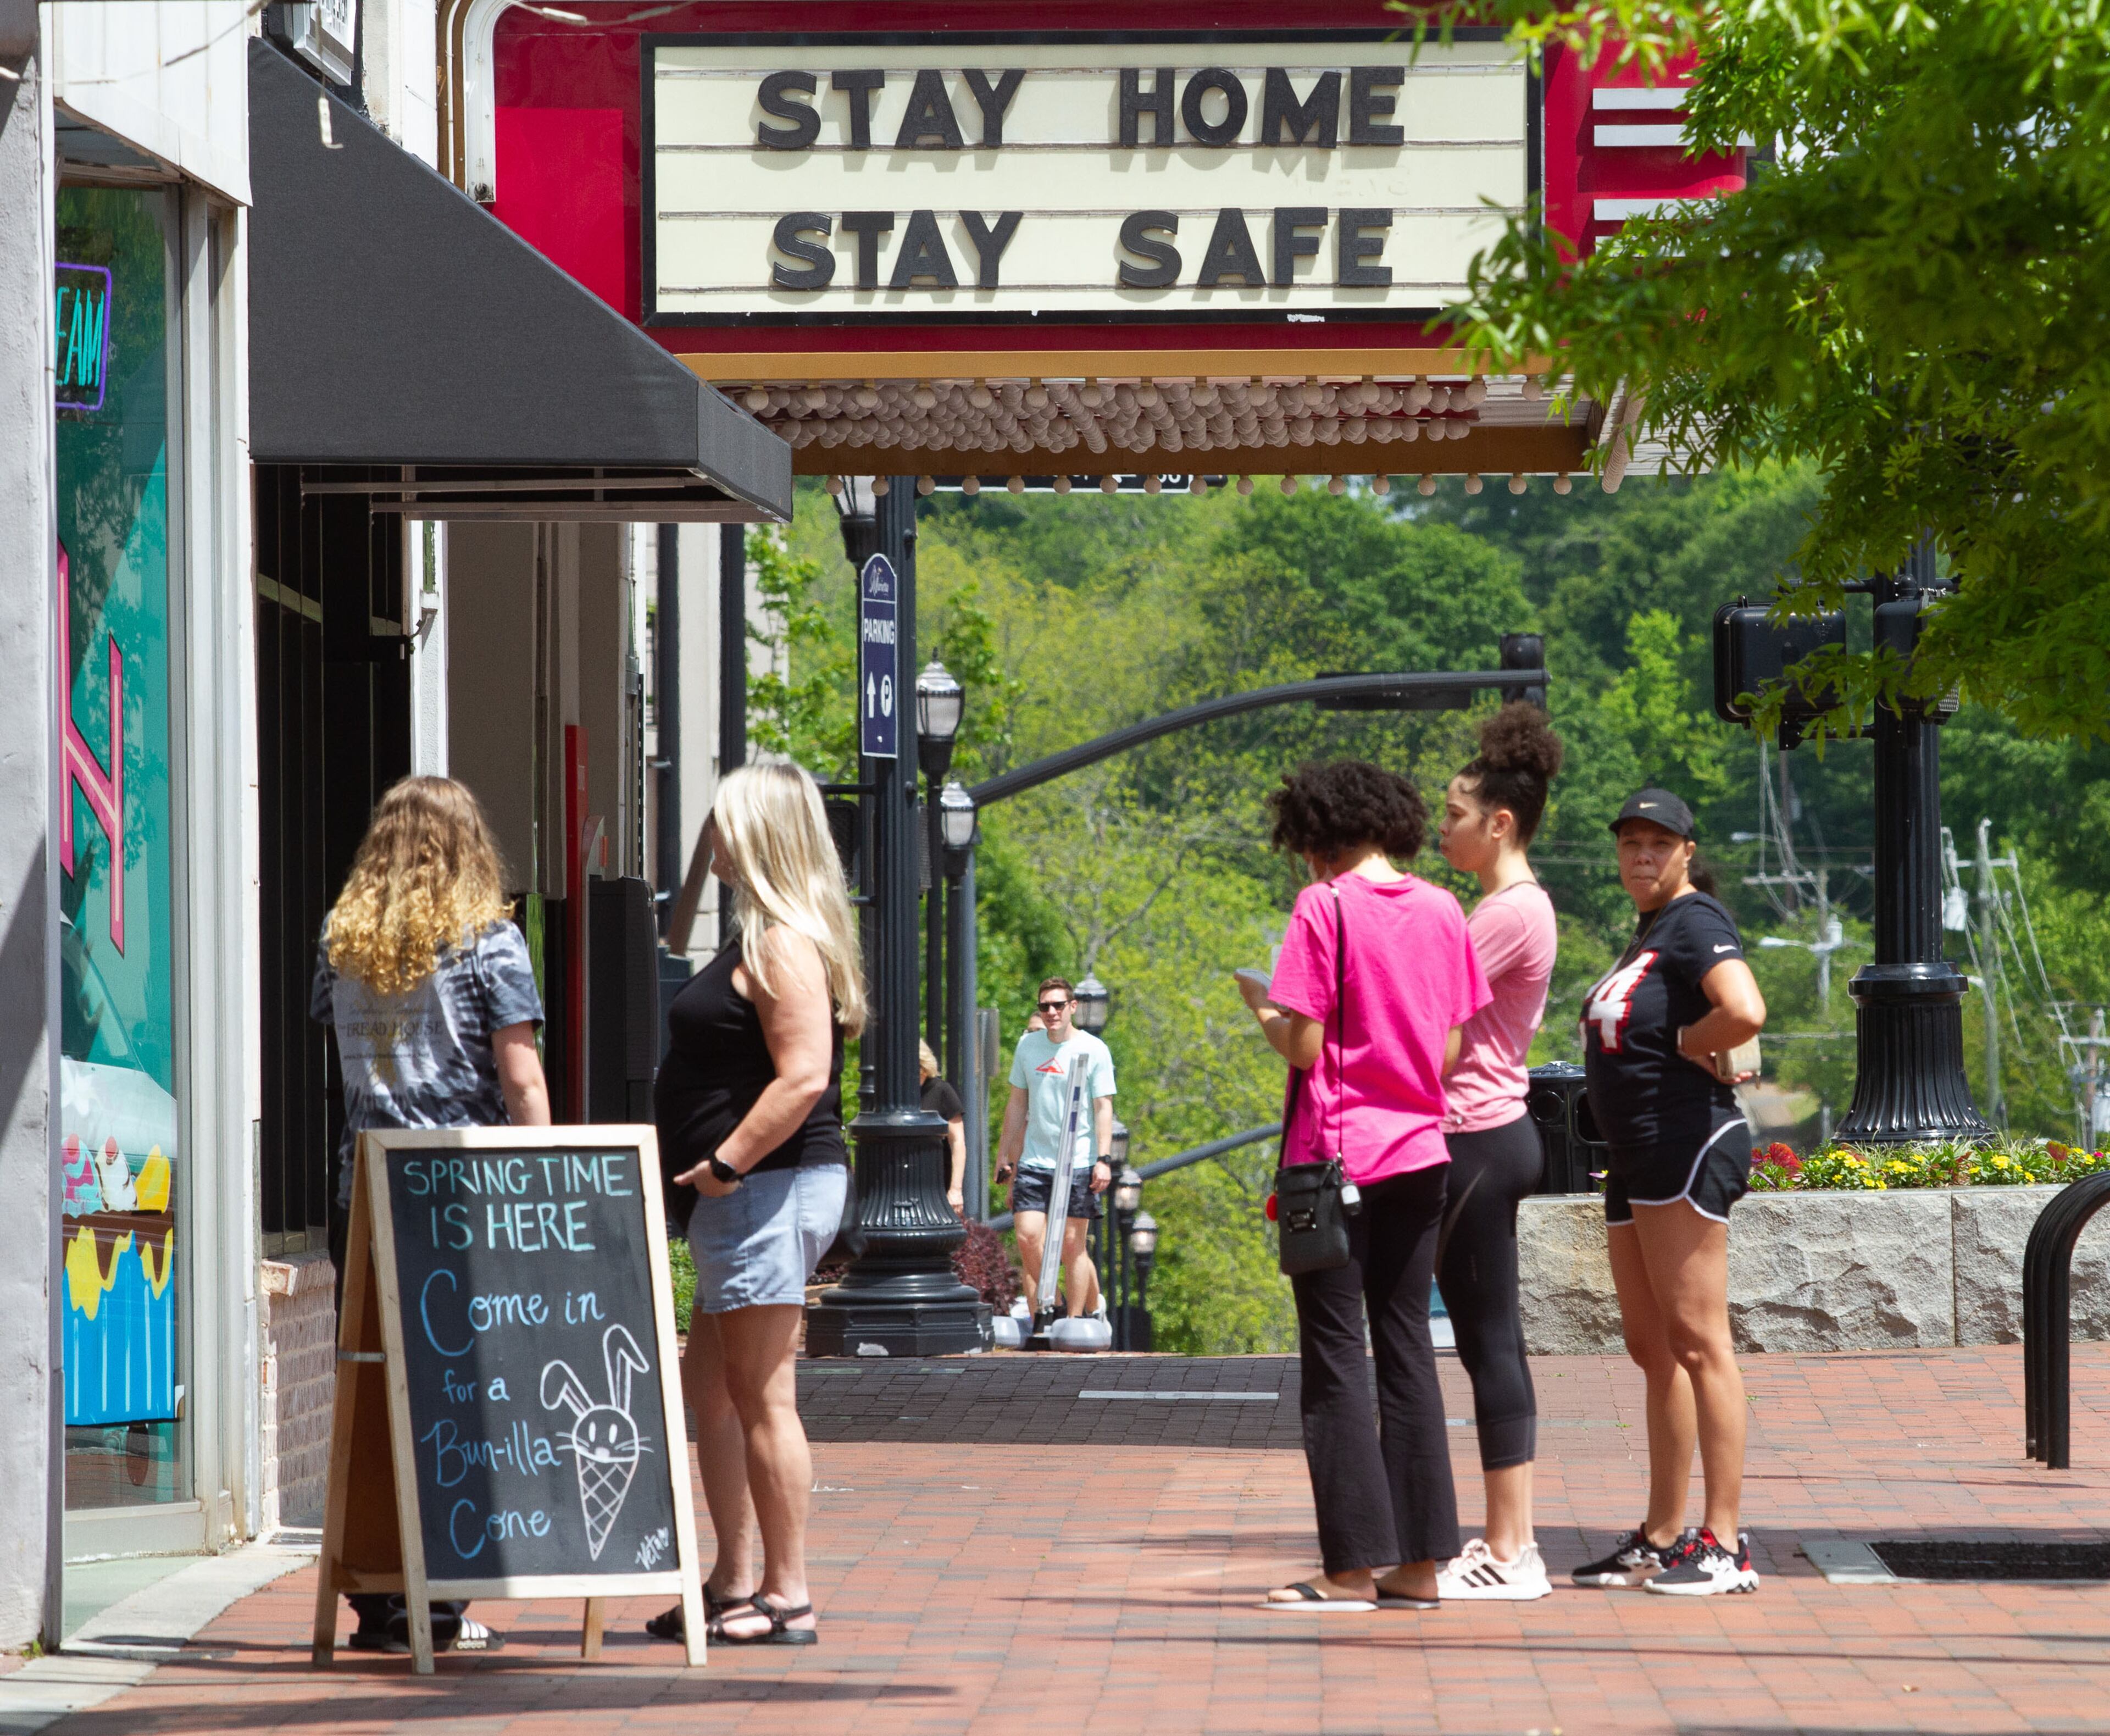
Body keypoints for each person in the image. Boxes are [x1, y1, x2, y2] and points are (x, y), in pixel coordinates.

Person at [1238, 760, 1490, 1610]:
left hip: (1337, 1161)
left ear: (1318, 833)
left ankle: (1348, 1566)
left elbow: (1307, 1046)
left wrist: (1261, 1009)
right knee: (1410, 1349)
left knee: (1337, 1357)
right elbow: (1451, 1050)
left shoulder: (1326, 905)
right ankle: (1419, 1563)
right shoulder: (1443, 907)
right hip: (1422, 1153)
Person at [313, 775, 547, 1656]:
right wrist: (545, 1177)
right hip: (458, 1192)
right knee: (456, 1395)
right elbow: (520, 1076)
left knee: (374, 1394)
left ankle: (376, 1602)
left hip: (364, 1191)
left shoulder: (341, 942)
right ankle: (439, 1603)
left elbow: (332, 1056)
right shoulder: (491, 944)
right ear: (467, 846)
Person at [652, 764, 865, 1647]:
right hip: (748, 1197)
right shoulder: (755, 932)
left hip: (764, 1189)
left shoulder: (780, 941)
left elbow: (805, 1073)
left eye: (726, 823)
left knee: (763, 1392)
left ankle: (790, 1593)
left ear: (764, 833)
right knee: (712, 1385)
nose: (715, 836)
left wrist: (724, 1164)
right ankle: (735, 1574)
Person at [1572, 789, 1767, 1596]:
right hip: (1635, 1154)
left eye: (1659, 842)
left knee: (1698, 1341)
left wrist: (1695, 1040)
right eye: (1630, 842)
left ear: (1688, 850)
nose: (1642, 855)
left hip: (1684, 1145)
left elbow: (1745, 1009)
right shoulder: (1651, 931)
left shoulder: (1695, 920)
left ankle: (1724, 1542)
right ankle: (1662, 1533)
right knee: (1654, 1349)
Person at [1432, 705, 1564, 1601]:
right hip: (1487, 1131)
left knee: (1488, 1341)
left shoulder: (1506, 915)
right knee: (1489, 1338)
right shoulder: (1502, 907)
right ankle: (1506, 1541)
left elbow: (1434, 1031)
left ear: (1499, 822)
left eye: (1454, 813)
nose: (1443, 828)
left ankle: (1511, 1547)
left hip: (1478, 1132)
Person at [995, 978, 1114, 1318]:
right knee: (1028, 1237)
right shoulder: (1028, 1047)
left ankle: (1077, 1320)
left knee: (1072, 1245)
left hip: (1077, 1161)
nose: (1051, 1012)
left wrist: (1103, 1159)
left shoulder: (1093, 1049)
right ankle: (1058, 1305)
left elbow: (1104, 1107)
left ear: (1072, 1007)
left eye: (1058, 1005)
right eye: (1045, 1006)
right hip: (1035, 1161)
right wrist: (1005, 1155)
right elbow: (1018, 1104)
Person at [920, 1040, 969, 1216]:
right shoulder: (894, 1095)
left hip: (938, 1184)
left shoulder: (941, 1091)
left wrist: (956, 1190)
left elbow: (958, 1142)